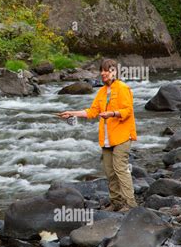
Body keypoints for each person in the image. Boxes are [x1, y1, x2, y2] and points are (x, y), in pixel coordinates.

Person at [58, 59, 138, 212]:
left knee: (120, 169)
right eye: (102, 70)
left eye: (106, 70)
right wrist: (71, 113)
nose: (103, 73)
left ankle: (131, 205)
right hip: (107, 139)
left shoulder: (122, 88)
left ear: (114, 71)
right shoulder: (101, 92)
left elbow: (128, 111)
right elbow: (92, 111)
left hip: (122, 136)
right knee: (109, 171)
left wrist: (112, 113)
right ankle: (116, 203)